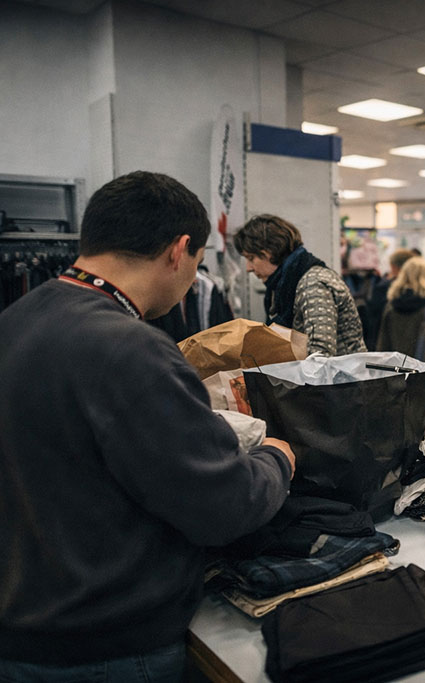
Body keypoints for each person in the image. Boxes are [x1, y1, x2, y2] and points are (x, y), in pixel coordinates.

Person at [0, 171, 295, 681]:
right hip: (104, 645)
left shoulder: (17, 320)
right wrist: (277, 457)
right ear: (179, 250)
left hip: (25, 625)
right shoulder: (129, 347)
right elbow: (224, 506)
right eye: (198, 264)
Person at [234, 214, 366, 357]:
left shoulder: (313, 284)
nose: (249, 268)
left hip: (342, 378)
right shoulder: (284, 285)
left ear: (269, 253)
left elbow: (320, 356)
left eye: (251, 258)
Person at [365, 247, 416, 347]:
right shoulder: (419, 291)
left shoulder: (382, 288)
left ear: (393, 266)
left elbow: (374, 318)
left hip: (385, 344)